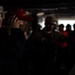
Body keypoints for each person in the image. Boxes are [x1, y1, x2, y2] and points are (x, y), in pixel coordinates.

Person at [0, 8, 33, 75]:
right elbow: (17, 52)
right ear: (11, 21)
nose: (24, 23)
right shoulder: (3, 37)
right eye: (21, 20)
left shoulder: (18, 36)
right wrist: (15, 31)